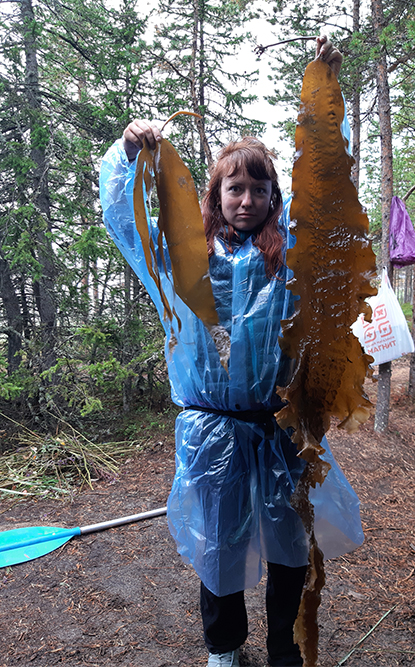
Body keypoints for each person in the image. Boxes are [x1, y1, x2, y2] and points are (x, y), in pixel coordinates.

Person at [99, 36, 363, 667]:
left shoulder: (290, 253)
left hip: (281, 429)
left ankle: (282, 649)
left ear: (273, 196)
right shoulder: (180, 256)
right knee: (218, 545)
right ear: (214, 195)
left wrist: (325, 84)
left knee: (289, 547)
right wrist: (128, 154)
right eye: (233, 188)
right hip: (211, 431)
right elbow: (124, 216)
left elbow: (324, 178)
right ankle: (225, 649)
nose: (246, 200)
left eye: (258, 188)